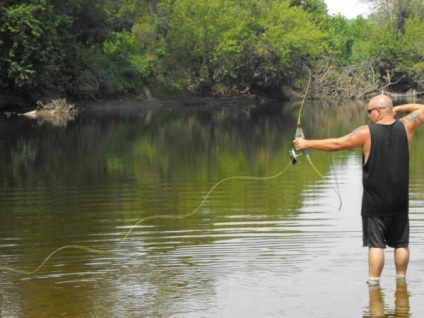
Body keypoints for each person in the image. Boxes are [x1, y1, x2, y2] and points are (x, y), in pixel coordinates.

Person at [293, 95, 424, 285]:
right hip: (400, 200)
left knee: (376, 245)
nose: (368, 116)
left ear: (378, 111)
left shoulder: (366, 132)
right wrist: (396, 109)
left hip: (375, 202)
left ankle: (373, 284)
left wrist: (308, 143)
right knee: (401, 243)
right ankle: (401, 282)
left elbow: (338, 144)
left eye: (369, 112)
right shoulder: (407, 126)